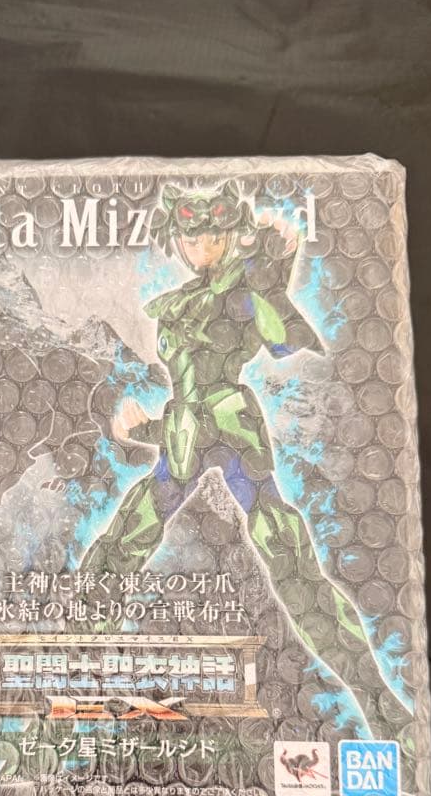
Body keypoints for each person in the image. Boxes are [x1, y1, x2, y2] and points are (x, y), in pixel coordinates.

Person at [79, 180, 408, 735]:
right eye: (191, 239)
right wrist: (144, 428)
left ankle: (381, 704)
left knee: (292, 563)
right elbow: (191, 396)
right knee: (125, 536)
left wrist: (277, 260)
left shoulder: (243, 283)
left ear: (230, 235)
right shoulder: (186, 299)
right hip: (187, 432)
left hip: (231, 429)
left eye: (212, 237)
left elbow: (270, 322)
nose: (201, 248)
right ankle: (72, 654)